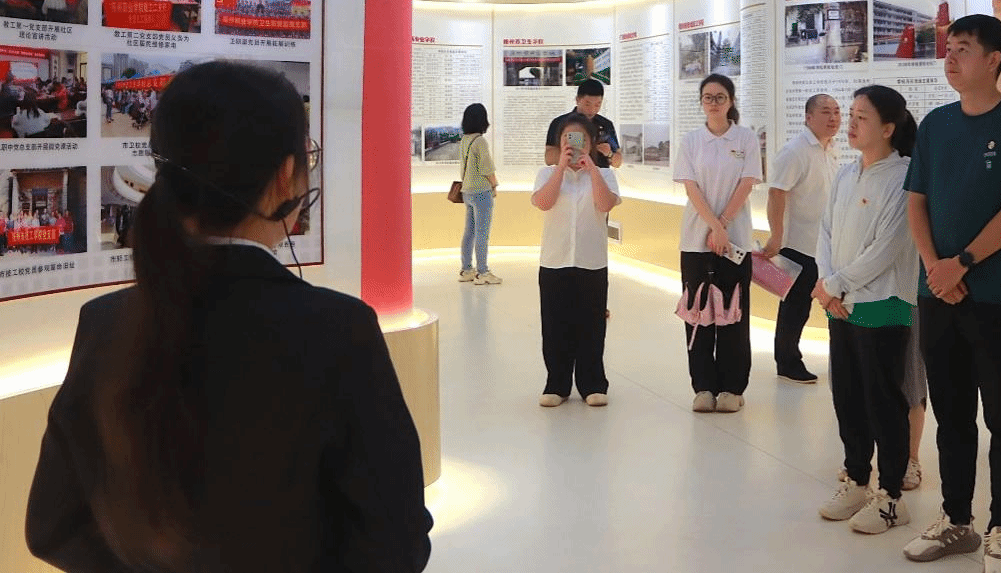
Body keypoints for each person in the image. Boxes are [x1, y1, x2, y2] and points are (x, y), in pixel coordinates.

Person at [25, 60, 432, 573]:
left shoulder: (105, 323)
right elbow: (395, 542)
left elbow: (52, 526)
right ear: (285, 175)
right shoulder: (338, 330)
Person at [901, 13, 1001, 570]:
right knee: (952, 413)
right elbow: (917, 201)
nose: (951, 58)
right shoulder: (936, 124)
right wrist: (935, 268)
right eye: (949, 48)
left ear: (993, 60)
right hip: (937, 292)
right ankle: (956, 519)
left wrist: (960, 264)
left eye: (963, 48)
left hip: (997, 294)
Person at [816, 85, 920, 535]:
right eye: (852, 114)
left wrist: (835, 284)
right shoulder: (845, 173)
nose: (851, 124)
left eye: (862, 117)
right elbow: (825, 232)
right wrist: (827, 284)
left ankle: (892, 497)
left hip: (884, 303)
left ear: (888, 128)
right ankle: (857, 479)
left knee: (884, 402)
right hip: (840, 304)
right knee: (848, 396)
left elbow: (888, 247)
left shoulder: (905, 177)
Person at [673, 73, 762, 414]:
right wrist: (713, 227)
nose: (713, 103)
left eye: (720, 97)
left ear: (731, 101)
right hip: (696, 240)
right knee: (698, 314)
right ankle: (703, 387)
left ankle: (732, 387)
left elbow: (747, 183)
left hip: (735, 238)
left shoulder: (746, 138)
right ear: (701, 102)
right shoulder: (692, 140)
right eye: (708, 97)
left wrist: (723, 226)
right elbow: (691, 188)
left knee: (733, 313)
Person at [531, 111, 621, 408]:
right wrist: (560, 167)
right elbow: (544, 203)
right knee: (555, 325)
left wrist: (592, 169)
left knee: (591, 325)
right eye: (568, 139)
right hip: (555, 260)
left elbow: (604, 204)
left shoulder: (605, 175)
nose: (574, 145)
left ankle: (593, 383)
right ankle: (556, 384)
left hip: (591, 261)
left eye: (581, 140)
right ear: (560, 143)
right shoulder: (546, 174)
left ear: (591, 143)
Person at [761, 92, 841, 383]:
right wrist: (776, 236)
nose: (833, 118)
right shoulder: (795, 151)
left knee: (831, 302)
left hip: (827, 245)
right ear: (808, 117)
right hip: (799, 245)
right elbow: (776, 193)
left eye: (836, 111)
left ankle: (839, 362)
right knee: (795, 308)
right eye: (825, 112)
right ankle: (787, 362)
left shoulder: (831, 149)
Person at [456, 102, 500, 285]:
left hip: (467, 192)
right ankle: (482, 272)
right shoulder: (480, 141)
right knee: (482, 234)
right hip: (481, 192)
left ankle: (467, 269)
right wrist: (494, 184)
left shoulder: (464, 140)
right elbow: (486, 168)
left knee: (469, 232)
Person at [544, 78, 622, 169]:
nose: (592, 110)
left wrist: (609, 154)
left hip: (599, 175)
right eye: (587, 104)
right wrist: (569, 150)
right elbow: (548, 159)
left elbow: (618, 163)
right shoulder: (560, 123)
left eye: (597, 105)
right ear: (577, 100)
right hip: (570, 174)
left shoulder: (606, 124)